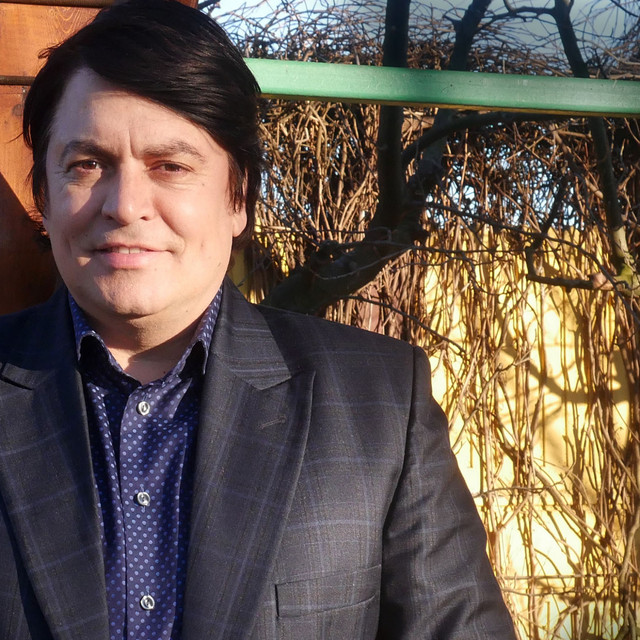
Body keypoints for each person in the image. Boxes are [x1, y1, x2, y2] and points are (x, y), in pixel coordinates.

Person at [0, 0, 517, 638]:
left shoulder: (379, 405)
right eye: (87, 165)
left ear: (239, 196)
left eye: (170, 167)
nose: (126, 205)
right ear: (45, 196)